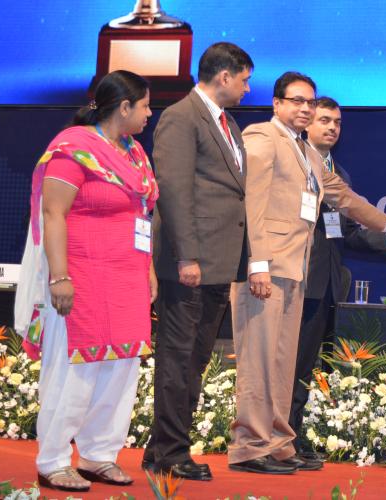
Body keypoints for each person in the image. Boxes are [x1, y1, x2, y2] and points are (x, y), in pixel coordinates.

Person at [230, 71, 386, 475]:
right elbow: (252, 203)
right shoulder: (261, 137)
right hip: (266, 269)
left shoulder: (307, 153)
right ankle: (248, 446)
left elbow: (345, 197)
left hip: (296, 269)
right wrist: (256, 262)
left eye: (309, 102)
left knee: (282, 362)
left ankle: (277, 442)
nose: (305, 108)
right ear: (277, 104)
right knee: (259, 360)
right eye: (297, 101)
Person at [14, 70, 158, 492]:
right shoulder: (72, 148)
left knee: (121, 367)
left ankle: (99, 455)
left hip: (127, 274)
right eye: (145, 106)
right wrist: (59, 276)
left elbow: (140, 217)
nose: (150, 113)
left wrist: (146, 269)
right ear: (124, 107)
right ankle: (54, 459)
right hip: (81, 273)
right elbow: (53, 213)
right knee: (77, 367)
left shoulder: (134, 153)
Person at [145, 42, 253, 481]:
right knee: (178, 357)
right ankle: (172, 452)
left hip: (217, 262)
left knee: (194, 360)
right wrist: (186, 255)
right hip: (189, 263)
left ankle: (160, 448)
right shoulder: (180, 117)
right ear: (223, 77)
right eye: (244, 80)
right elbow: (172, 191)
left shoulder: (230, 124)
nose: (247, 89)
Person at [290, 96, 386, 458]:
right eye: (325, 120)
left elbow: (346, 231)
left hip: (328, 282)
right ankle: (282, 436)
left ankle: (293, 434)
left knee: (307, 364)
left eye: (338, 122)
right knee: (291, 362)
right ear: (306, 124)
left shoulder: (339, 174)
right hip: (295, 278)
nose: (332, 127)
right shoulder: (293, 163)